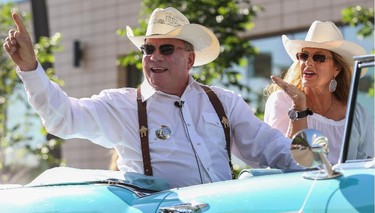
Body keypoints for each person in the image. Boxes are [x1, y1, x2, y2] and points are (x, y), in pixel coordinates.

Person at [4, 7, 299, 188]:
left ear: (190, 58)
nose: (154, 57)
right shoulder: (122, 105)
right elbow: (63, 118)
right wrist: (30, 68)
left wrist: (319, 163)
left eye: (166, 49)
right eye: (148, 49)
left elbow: (270, 148)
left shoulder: (224, 101)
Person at [264, 21, 373, 164]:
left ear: (337, 69)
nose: (308, 63)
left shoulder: (356, 112)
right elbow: (283, 161)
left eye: (319, 57)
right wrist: (299, 108)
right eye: (303, 56)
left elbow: (369, 163)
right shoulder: (282, 101)